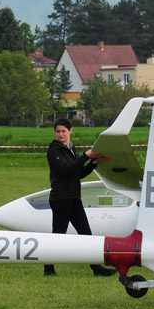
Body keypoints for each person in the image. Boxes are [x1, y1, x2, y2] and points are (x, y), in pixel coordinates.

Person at [44, 118, 116, 277]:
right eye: (58, 131)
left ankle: (97, 269)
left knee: (86, 233)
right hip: (60, 199)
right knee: (58, 235)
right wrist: (85, 156)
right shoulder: (54, 151)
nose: (60, 134)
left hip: (74, 198)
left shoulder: (71, 149)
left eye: (63, 131)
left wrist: (93, 163)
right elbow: (66, 170)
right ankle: (48, 268)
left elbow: (79, 173)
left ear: (70, 131)